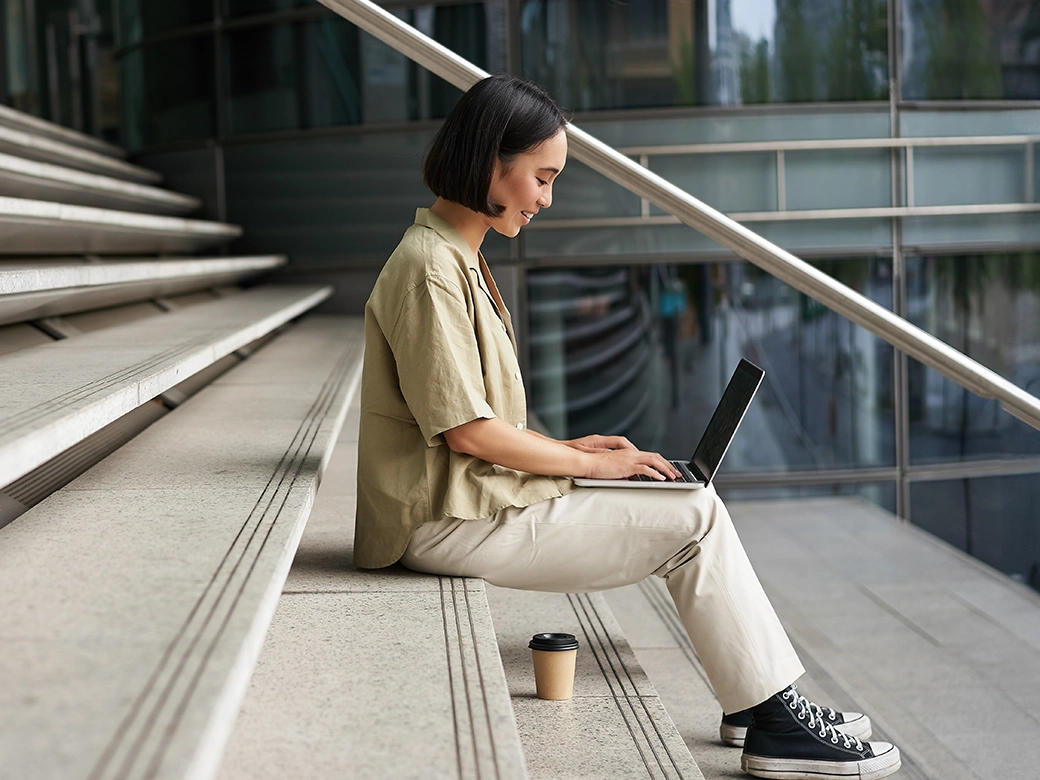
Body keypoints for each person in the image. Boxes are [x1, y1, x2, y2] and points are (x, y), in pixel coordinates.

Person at [354, 75, 901, 780]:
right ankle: (769, 716)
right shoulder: (431, 269)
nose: (546, 199)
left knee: (687, 499)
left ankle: (760, 699)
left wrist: (573, 451)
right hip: (443, 519)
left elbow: (473, 423)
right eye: (542, 178)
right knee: (694, 516)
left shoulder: (455, 257)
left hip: (465, 500)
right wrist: (598, 468)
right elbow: (468, 434)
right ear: (494, 160)